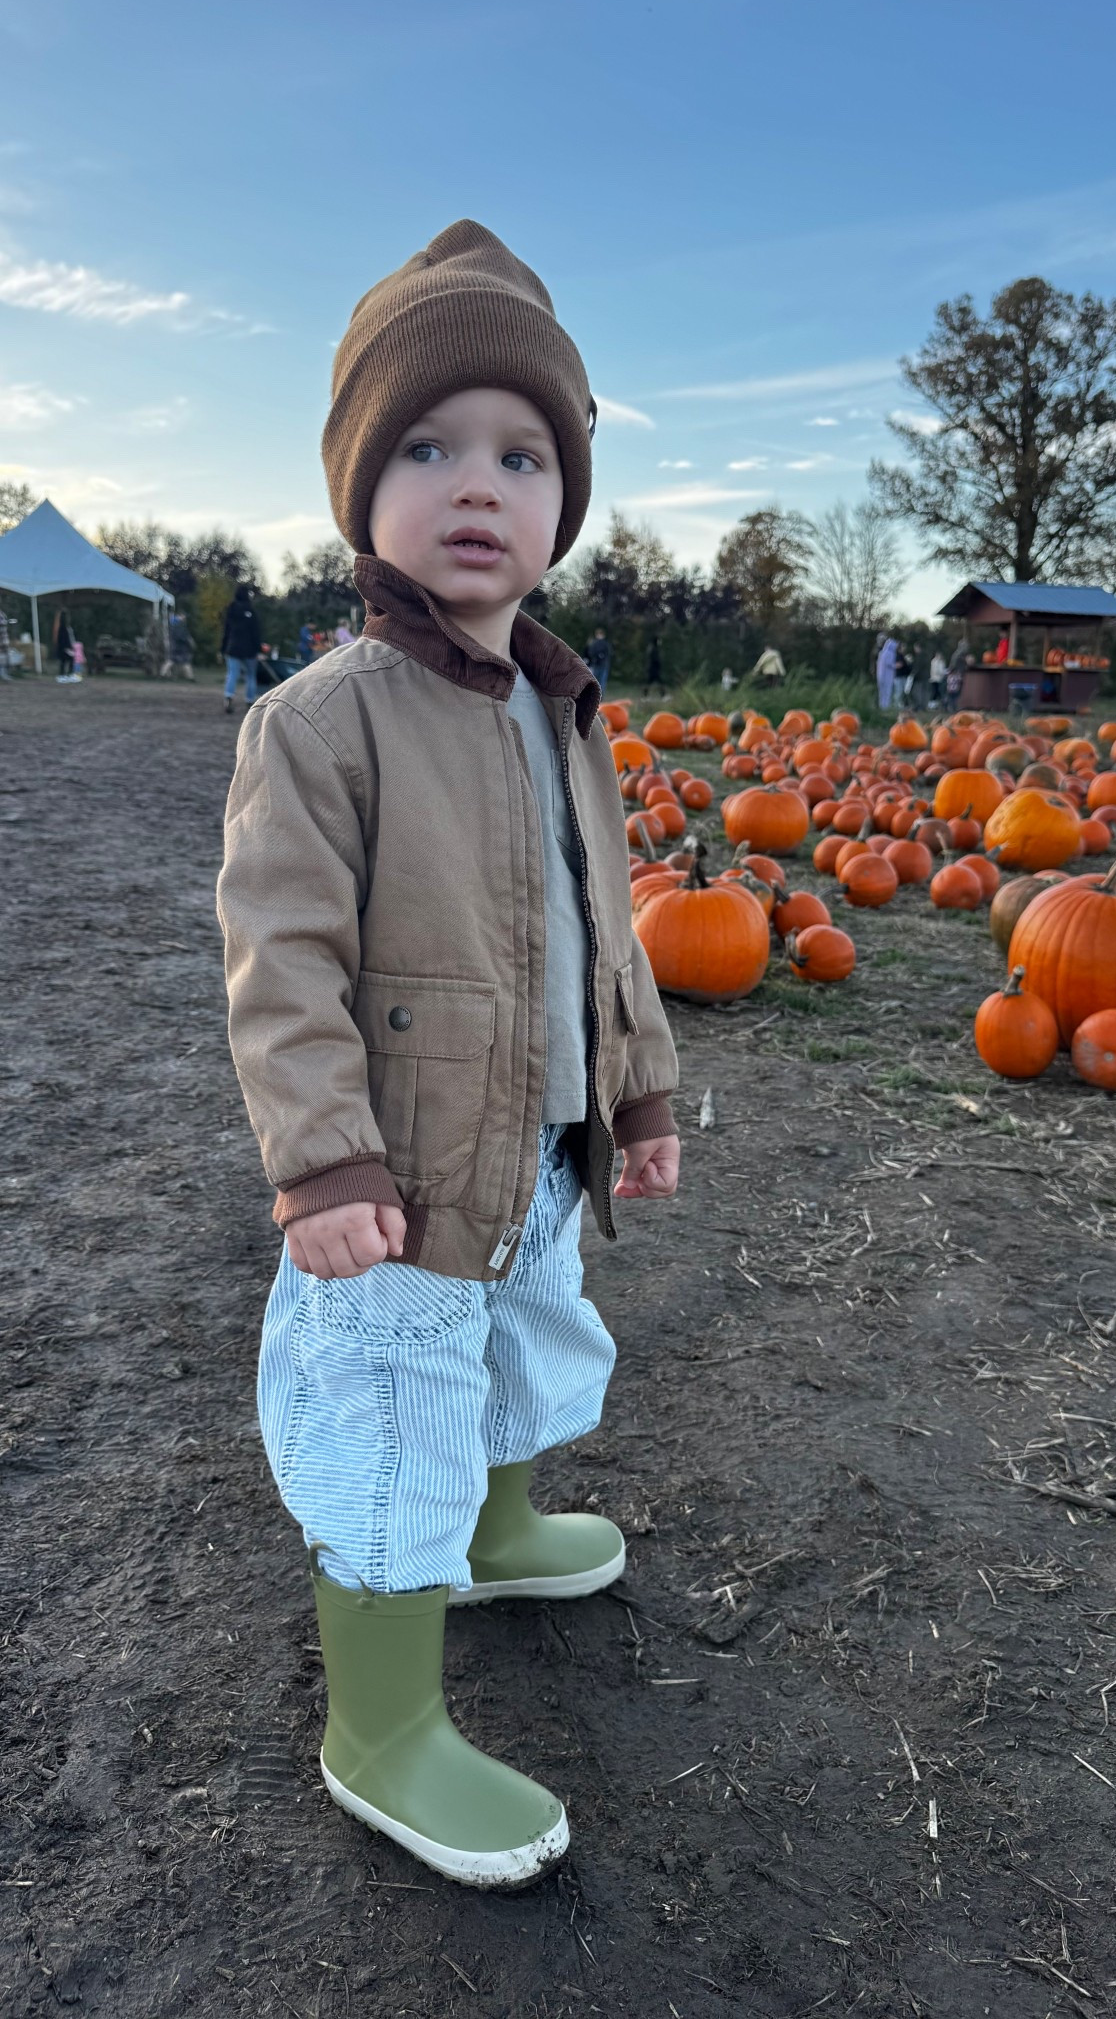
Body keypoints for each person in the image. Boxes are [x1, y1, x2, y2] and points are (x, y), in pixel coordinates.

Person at [216, 220, 680, 1888]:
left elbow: (601, 923)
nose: (474, 481)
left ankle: (496, 1532)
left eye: (518, 452)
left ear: (562, 503)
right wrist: (321, 1156)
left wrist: (633, 1087)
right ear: (362, 490)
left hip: (535, 1148)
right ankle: (382, 1723)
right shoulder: (320, 719)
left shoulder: (561, 710)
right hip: (400, 1171)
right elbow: (283, 960)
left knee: (520, 1348)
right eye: (426, 445)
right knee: (393, 1413)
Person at [220, 583, 263, 713]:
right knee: (250, 675)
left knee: (232, 674)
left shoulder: (231, 609)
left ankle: (228, 697)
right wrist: (258, 649)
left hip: (233, 647)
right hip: (249, 649)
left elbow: (226, 630)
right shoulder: (251, 610)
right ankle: (250, 700)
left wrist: (223, 648)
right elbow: (255, 632)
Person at [161, 610, 196, 680]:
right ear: (180, 616)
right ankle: (191, 677)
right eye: (183, 616)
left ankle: (162, 674)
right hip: (180, 647)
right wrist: (188, 641)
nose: (185, 618)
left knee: (171, 661)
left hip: (175, 646)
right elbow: (181, 636)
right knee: (185, 662)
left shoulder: (173, 624)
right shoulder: (179, 625)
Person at [583, 625, 612, 692]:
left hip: (603, 665)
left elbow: (608, 654)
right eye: (598, 634)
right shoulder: (594, 643)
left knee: (602, 682)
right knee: (595, 682)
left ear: (603, 635)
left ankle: (600, 697)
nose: (599, 635)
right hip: (596, 665)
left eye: (600, 634)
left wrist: (602, 656)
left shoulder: (605, 644)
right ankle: (595, 695)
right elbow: (591, 652)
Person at [875, 632, 898, 710]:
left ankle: (882, 705)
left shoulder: (882, 652)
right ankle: (885, 707)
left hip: (880, 675)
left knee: (881, 692)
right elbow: (889, 664)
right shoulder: (890, 653)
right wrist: (896, 665)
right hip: (887, 675)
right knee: (887, 692)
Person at [53, 607, 75, 680]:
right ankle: (66, 674)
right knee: (67, 660)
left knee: (66, 661)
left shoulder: (66, 627)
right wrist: (66, 647)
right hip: (65, 647)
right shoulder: (62, 628)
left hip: (66, 647)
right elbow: (62, 639)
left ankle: (66, 674)